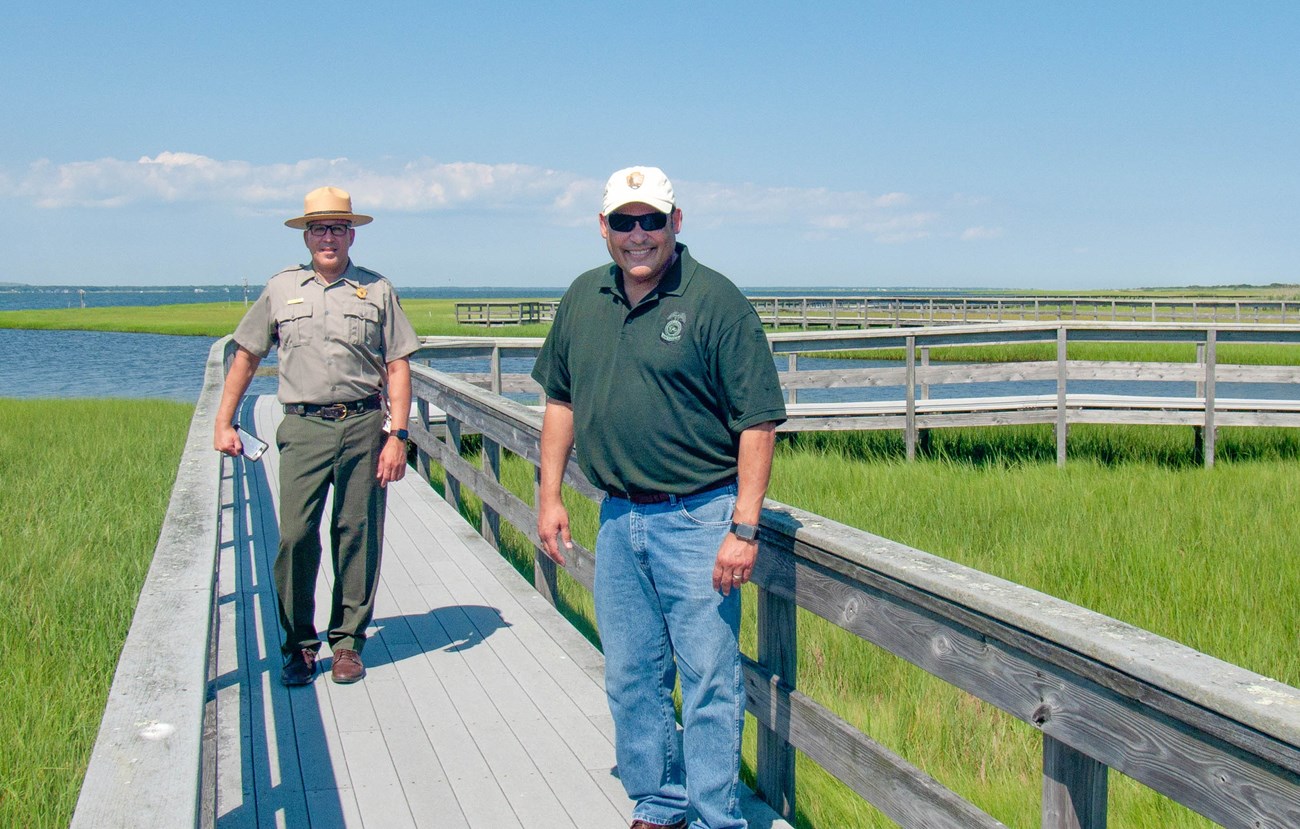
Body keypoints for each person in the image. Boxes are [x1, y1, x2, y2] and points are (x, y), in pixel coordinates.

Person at [533, 166, 786, 829]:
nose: (638, 234)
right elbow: (559, 399)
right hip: (617, 515)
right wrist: (550, 494)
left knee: (707, 678)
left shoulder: (715, 301)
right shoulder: (584, 297)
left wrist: (744, 526)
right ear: (603, 228)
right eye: (624, 221)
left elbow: (757, 420)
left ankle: (712, 816)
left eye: (651, 220)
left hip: (699, 517)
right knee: (631, 675)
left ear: (677, 221)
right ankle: (661, 798)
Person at [214, 186, 420, 686]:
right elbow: (246, 354)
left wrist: (398, 435)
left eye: (338, 228)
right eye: (319, 228)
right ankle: (299, 645)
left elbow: (398, 365)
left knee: (358, 534)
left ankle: (348, 642)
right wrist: (224, 421)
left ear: (352, 234)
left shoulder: (378, 291)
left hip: (364, 426)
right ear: (306, 236)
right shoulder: (281, 289)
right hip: (303, 427)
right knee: (295, 536)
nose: (328, 237)